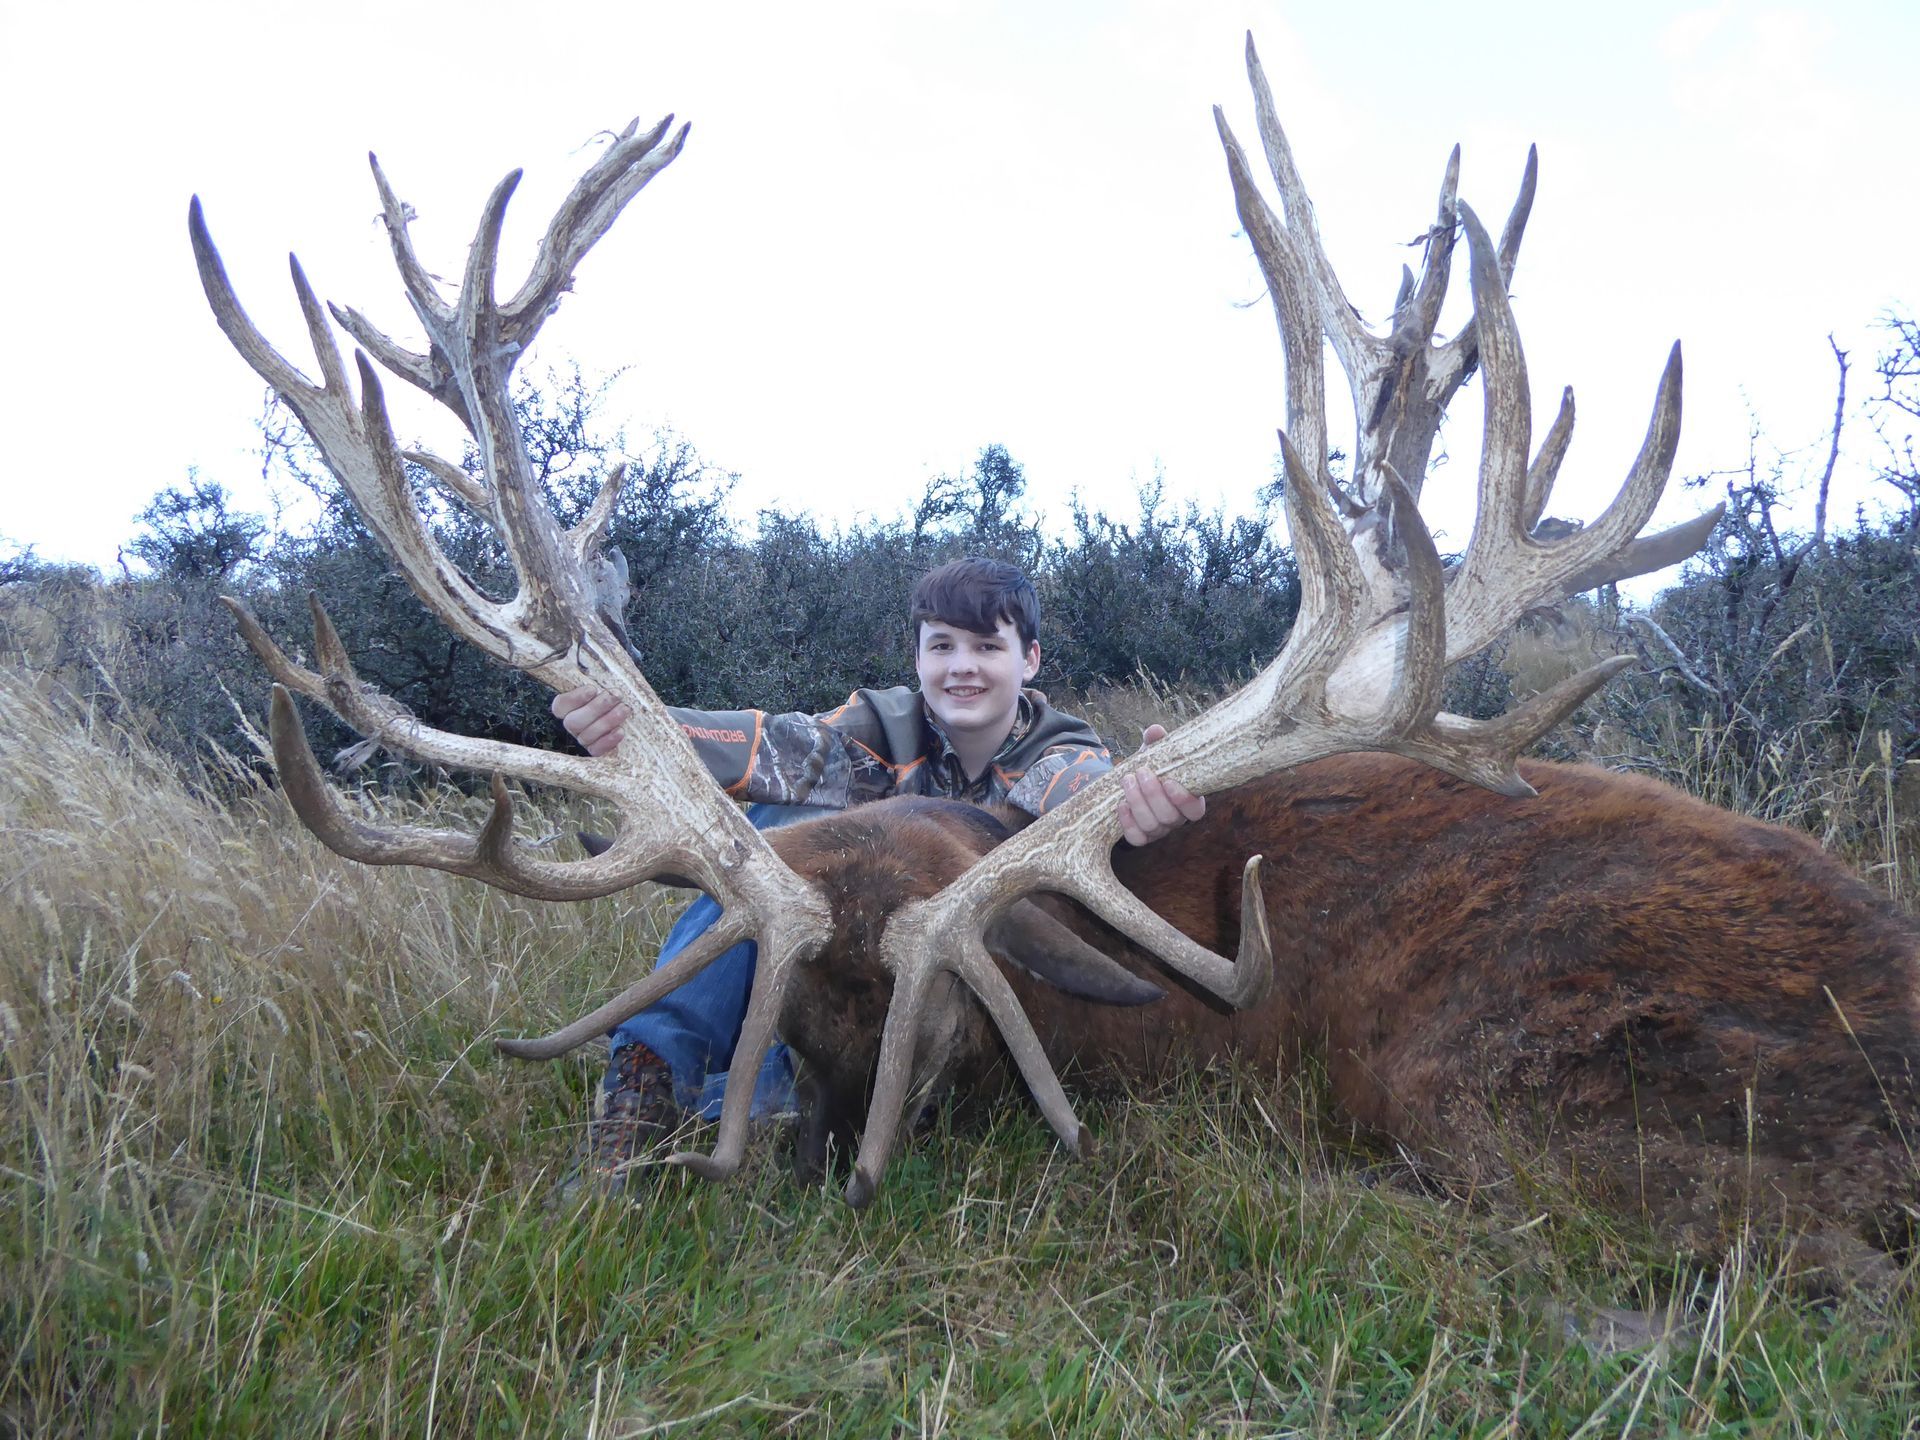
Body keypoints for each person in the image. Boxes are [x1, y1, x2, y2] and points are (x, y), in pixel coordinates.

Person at [551, 557, 1204, 1181]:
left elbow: (1088, 794)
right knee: (773, 831)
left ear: (1029, 660)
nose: (963, 667)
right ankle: (646, 1080)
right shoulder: (878, 729)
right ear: (918, 658)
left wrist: (1145, 803)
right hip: (834, 973)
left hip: (939, 1008)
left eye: (987, 646)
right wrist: (633, 725)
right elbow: (758, 747)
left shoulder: (1061, 754)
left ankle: (754, 1094)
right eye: (942, 646)